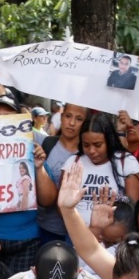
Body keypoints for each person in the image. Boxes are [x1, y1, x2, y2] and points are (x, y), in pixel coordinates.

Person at [0, 93, 55, 275]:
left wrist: (38, 168)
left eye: (8, 119)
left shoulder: (30, 151)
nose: (2, 125)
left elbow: (49, 200)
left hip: (26, 242)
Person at [59, 113, 139, 227]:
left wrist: (103, 233)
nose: (91, 150)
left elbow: (132, 211)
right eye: (86, 145)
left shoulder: (127, 162)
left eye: (97, 145)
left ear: (109, 141)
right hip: (77, 235)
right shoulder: (73, 162)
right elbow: (62, 205)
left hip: (113, 239)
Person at [38, 103, 88, 244]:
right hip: (46, 227)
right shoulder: (47, 144)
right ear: (61, 117)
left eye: (79, 119)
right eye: (68, 116)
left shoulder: (88, 153)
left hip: (77, 232)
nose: (71, 123)